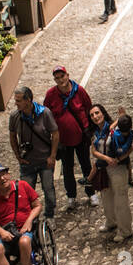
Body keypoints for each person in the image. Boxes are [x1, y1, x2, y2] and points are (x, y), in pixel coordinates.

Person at [43, 66, 97, 209]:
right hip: (63, 140)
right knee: (67, 169)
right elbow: (46, 114)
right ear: (55, 80)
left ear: (68, 75)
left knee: (86, 165)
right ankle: (71, 196)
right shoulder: (51, 95)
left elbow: (89, 108)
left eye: (62, 76)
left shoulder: (79, 91)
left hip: (81, 137)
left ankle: (91, 193)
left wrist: (92, 131)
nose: (61, 80)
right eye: (57, 78)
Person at [8, 86, 59, 219]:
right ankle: (31, 219)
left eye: (18, 100)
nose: (16, 103)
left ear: (28, 100)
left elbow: (55, 133)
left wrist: (52, 156)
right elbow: (12, 136)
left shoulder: (44, 113)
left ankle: (49, 216)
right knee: (26, 194)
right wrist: (18, 156)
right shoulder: (15, 116)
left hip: (45, 160)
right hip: (27, 162)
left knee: (48, 190)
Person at [90, 104, 133, 243]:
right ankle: (111, 222)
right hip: (104, 168)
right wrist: (106, 159)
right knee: (106, 198)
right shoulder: (95, 132)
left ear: (103, 113)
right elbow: (93, 150)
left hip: (118, 168)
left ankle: (125, 230)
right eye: (92, 115)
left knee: (121, 200)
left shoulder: (116, 128)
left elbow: (130, 148)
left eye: (97, 113)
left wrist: (118, 159)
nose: (95, 116)